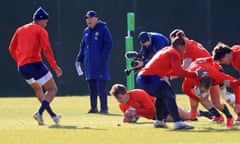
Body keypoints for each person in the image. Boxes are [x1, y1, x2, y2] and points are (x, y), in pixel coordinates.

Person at [136, 31, 203, 130]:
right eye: (184, 48)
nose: (185, 51)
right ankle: (178, 122)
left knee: (161, 96)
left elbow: (170, 70)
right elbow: (178, 71)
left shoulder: (167, 50)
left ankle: (159, 121)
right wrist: (195, 74)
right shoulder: (174, 53)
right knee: (170, 95)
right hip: (149, 77)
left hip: (143, 77)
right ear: (180, 46)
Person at [9, 7, 63, 125]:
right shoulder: (40, 30)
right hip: (35, 64)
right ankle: (39, 112)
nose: (46, 24)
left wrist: (19, 61)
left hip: (22, 68)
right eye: (45, 21)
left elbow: (11, 48)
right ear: (40, 20)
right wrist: (55, 67)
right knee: (52, 89)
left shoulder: (20, 29)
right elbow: (47, 50)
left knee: (39, 89)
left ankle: (53, 116)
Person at [182, 57, 240, 128]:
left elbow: (236, 85)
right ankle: (216, 116)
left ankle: (229, 117)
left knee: (217, 103)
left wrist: (237, 103)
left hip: (214, 70)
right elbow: (185, 89)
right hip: (200, 71)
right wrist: (196, 98)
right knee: (198, 98)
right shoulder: (190, 78)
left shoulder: (217, 76)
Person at [110, 84, 211, 124]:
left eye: (120, 98)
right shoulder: (122, 105)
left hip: (163, 105)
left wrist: (136, 111)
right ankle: (198, 113)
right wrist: (128, 118)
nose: (119, 101)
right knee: (183, 119)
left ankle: (204, 113)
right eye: (117, 99)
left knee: (187, 116)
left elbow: (152, 109)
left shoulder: (138, 93)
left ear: (125, 93)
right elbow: (135, 118)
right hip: (156, 117)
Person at [76, 10, 113, 114]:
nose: (89, 20)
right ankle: (93, 107)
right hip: (89, 63)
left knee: (101, 86)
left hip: (100, 63)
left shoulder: (103, 29)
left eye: (91, 18)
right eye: (87, 18)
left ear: (96, 18)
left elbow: (109, 44)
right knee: (91, 85)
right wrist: (79, 59)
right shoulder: (86, 31)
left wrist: (102, 57)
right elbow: (82, 46)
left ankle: (104, 108)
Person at [212, 42, 240, 120]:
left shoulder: (238, 58)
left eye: (222, 61)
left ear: (226, 55)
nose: (223, 64)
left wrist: (233, 83)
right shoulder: (234, 50)